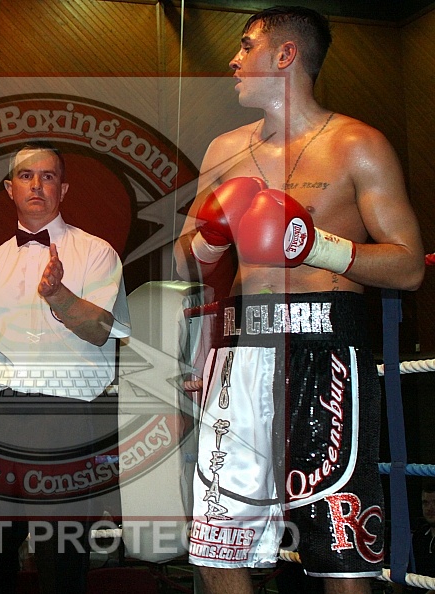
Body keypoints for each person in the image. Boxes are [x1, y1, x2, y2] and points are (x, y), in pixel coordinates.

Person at [172, 6, 424, 594]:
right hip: (240, 350)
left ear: (285, 55)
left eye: (246, 46)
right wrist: (212, 238)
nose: (233, 60)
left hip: (327, 349)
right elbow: (184, 261)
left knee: (339, 549)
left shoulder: (358, 145)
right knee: (215, 543)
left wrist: (315, 246)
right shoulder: (223, 150)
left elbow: (409, 265)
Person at [0, 141, 131, 594]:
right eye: (26, 176)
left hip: (66, 414)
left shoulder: (96, 253)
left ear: (63, 188)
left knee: (62, 561)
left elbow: (100, 330)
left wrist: (59, 295)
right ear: (10, 188)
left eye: (47, 176)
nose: (36, 185)